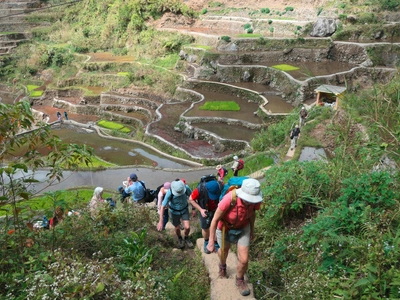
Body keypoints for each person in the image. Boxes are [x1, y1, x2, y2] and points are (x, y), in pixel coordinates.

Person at [207, 178, 263, 297]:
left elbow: (252, 214)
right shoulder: (229, 199)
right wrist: (211, 241)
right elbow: (215, 219)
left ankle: (239, 280)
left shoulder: (254, 202)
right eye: (248, 199)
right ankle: (222, 266)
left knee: (244, 260)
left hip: (244, 227)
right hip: (225, 227)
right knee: (224, 251)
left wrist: (252, 229)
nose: (250, 202)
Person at [157, 179, 193, 249]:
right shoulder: (170, 192)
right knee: (177, 228)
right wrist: (161, 221)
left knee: (187, 227)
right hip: (174, 212)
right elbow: (163, 206)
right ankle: (179, 238)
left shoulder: (186, 188)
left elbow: (192, 197)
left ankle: (186, 237)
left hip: (184, 210)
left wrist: (194, 209)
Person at [189, 177, 222, 254]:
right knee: (205, 227)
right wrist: (200, 210)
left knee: (217, 227)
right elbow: (191, 199)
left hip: (217, 209)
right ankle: (206, 241)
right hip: (205, 210)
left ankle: (216, 242)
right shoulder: (200, 189)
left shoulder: (220, 186)